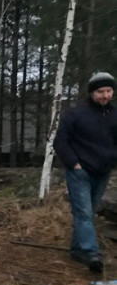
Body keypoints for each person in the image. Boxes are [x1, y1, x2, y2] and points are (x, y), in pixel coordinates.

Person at [53, 71, 117, 273]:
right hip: (79, 171)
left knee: (89, 212)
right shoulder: (75, 114)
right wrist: (75, 164)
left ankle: (77, 250)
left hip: (103, 171)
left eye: (108, 91)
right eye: (100, 92)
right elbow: (60, 142)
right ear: (91, 93)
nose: (105, 96)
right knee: (84, 213)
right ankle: (91, 253)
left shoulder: (114, 114)